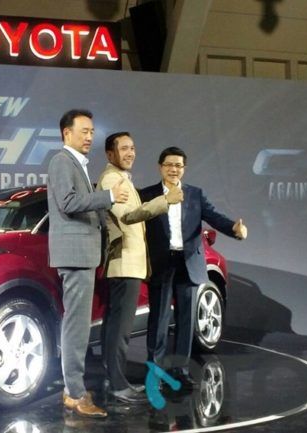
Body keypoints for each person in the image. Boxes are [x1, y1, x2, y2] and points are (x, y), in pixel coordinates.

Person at [140, 146, 247, 389]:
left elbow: (214, 217)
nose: (174, 169)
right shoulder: (147, 194)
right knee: (158, 320)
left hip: (188, 262)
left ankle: (180, 370)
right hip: (161, 262)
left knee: (186, 320)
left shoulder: (195, 194)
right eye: (169, 165)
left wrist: (234, 229)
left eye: (178, 165)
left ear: (184, 169)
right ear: (160, 167)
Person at [47, 109, 129, 418]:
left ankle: (75, 389)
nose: (90, 136)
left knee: (78, 325)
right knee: (76, 327)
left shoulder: (76, 164)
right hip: (75, 255)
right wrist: (108, 196)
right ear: (66, 133)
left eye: (92, 131)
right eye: (84, 131)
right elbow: (68, 202)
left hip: (83, 255)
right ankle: (74, 393)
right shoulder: (61, 161)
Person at [96, 132, 183, 404]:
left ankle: (114, 380)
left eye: (132, 148)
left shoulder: (121, 178)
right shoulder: (111, 179)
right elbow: (128, 216)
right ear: (110, 154)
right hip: (124, 263)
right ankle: (117, 384)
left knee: (116, 327)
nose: (131, 153)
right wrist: (165, 201)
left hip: (127, 264)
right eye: (124, 148)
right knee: (119, 329)